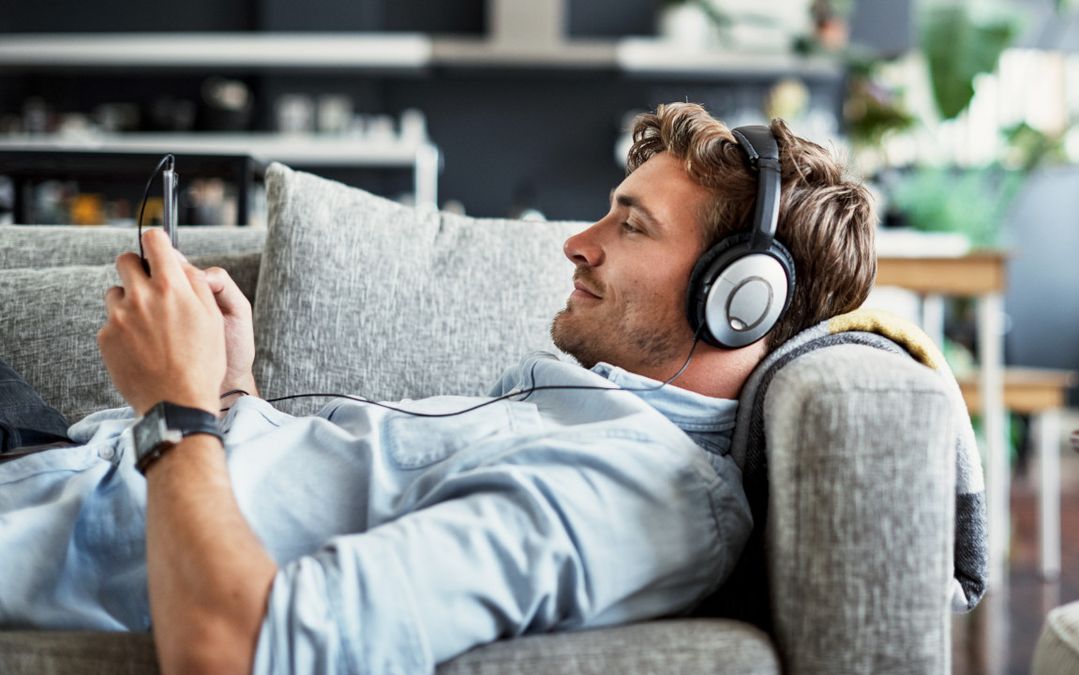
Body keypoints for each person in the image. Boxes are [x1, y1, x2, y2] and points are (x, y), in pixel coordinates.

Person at [0, 102, 875, 674]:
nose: (577, 241)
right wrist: (232, 397)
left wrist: (174, 411)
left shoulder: (629, 491)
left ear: (738, 299)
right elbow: (303, 497)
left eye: (631, 225)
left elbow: (242, 647)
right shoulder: (592, 416)